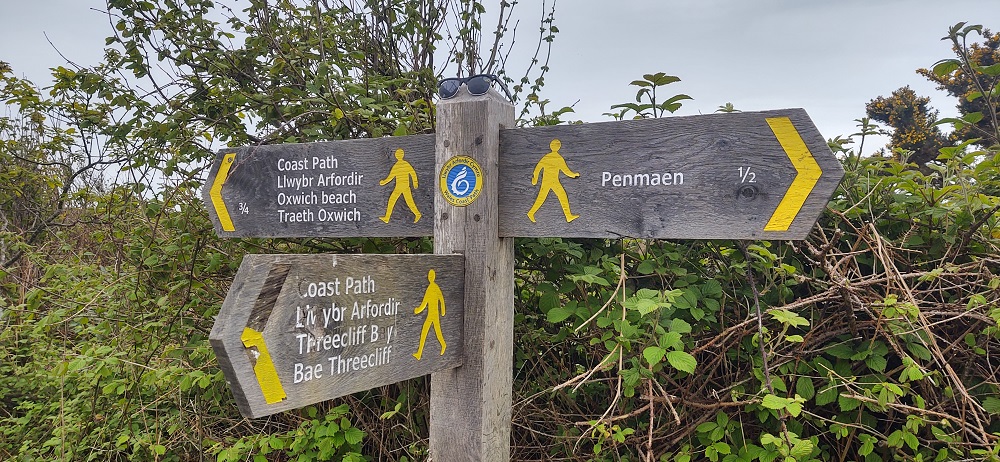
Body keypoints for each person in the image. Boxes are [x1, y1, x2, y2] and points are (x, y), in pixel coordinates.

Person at [527, 138, 580, 223]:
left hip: (552, 181)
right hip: (549, 182)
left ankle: (568, 216)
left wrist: (535, 179)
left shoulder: (547, 157)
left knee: (557, 196)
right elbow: (566, 171)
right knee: (543, 198)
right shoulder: (558, 158)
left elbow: (537, 169)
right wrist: (574, 174)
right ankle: (531, 213)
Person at [379, 148, 421, 223]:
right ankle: (387, 217)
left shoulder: (404, 164)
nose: (397, 156)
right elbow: (391, 176)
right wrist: (384, 182)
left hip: (403, 187)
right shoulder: (396, 165)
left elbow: (413, 173)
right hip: (400, 187)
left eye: (398, 154)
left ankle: (417, 214)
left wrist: (415, 182)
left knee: (403, 201)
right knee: (398, 201)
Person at [413, 269, 446, 360]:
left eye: (432, 276)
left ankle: (443, 345)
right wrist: (418, 310)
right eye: (429, 276)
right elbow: (425, 302)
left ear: (434, 277)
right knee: (424, 332)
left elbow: (441, 299)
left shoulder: (434, 287)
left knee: (437, 332)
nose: (430, 277)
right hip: (430, 315)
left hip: (434, 315)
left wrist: (443, 311)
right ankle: (419, 353)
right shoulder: (430, 288)